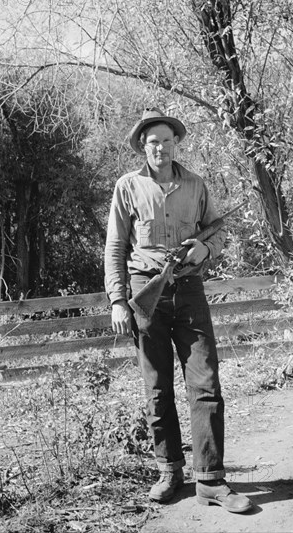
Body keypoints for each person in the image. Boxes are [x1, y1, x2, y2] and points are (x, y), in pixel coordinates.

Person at [104, 107, 252, 513]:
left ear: (175, 144)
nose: (161, 148)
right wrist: (118, 300)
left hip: (189, 289)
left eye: (168, 141)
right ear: (142, 146)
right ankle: (169, 471)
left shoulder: (196, 184)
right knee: (157, 387)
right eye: (153, 142)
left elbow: (217, 231)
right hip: (145, 290)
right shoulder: (127, 187)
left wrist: (204, 248)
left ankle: (211, 480)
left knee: (205, 382)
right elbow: (116, 247)